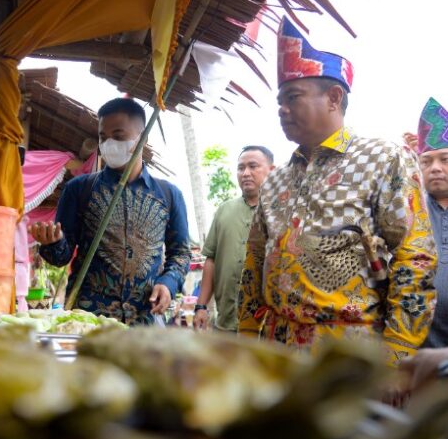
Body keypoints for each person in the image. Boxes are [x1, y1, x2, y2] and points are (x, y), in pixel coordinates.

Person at [237, 18, 436, 365]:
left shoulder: (383, 158)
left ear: (333, 97)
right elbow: (254, 262)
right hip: (275, 347)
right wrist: (248, 336)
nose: (281, 109)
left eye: (292, 97)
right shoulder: (277, 180)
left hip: (349, 351)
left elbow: (414, 256)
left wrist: (398, 352)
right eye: (279, 101)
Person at [30, 98, 191, 325]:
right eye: (103, 138)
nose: (109, 144)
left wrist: (168, 282)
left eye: (118, 136)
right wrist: (52, 242)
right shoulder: (79, 189)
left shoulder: (169, 194)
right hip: (89, 318)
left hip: (145, 319)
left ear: (142, 138)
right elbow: (61, 257)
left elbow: (181, 254)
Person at [194, 146, 275, 331]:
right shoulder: (224, 210)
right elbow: (211, 260)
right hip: (226, 321)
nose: (245, 173)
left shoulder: (281, 213)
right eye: (241, 168)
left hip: (267, 325)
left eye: (253, 166)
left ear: (272, 170)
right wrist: (201, 306)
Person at [415, 97, 448, 348]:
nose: (435, 168)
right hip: (419, 362)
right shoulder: (407, 213)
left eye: (444, 159)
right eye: (427, 161)